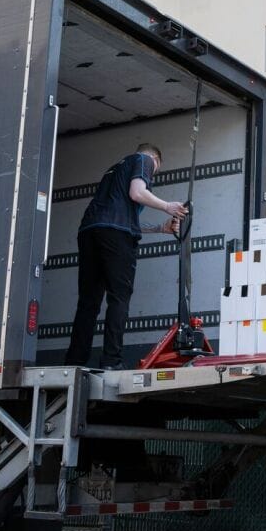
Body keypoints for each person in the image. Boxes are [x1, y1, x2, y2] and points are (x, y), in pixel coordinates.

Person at [64, 143, 187, 369]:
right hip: (115, 236)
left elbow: (121, 217)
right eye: (154, 172)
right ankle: (111, 360)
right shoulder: (144, 159)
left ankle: (74, 361)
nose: (151, 175)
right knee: (119, 296)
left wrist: (160, 228)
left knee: (88, 301)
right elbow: (137, 192)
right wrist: (167, 206)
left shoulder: (113, 171)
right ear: (155, 160)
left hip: (89, 231)